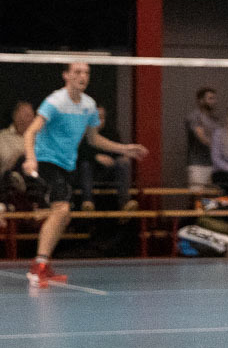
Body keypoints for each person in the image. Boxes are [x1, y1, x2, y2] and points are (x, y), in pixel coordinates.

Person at [19, 62, 147, 288]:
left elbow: (94, 139)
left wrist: (124, 149)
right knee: (61, 210)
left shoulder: (89, 105)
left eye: (86, 72)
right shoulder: (55, 102)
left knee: (64, 216)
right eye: (77, 72)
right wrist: (30, 158)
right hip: (46, 161)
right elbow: (30, 132)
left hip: (67, 166)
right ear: (66, 76)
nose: (83, 76)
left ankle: (43, 264)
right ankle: (39, 267)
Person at [76, 105, 136, 211]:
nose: (99, 121)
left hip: (109, 170)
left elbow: (118, 152)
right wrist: (95, 157)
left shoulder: (112, 132)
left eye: (102, 117)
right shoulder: (82, 133)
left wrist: (110, 157)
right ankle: (87, 201)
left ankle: (125, 202)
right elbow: (79, 153)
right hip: (89, 171)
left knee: (123, 162)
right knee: (85, 165)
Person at [186, 87, 221, 193]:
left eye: (214, 98)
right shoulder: (194, 117)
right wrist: (218, 148)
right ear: (201, 100)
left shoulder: (215, 119)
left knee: (212, 197)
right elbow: (201, 137)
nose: (214, 101)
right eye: (210, 98)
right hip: (198, 164)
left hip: (214, 164)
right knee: (197, 195)